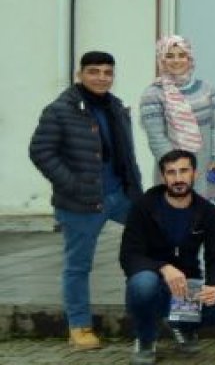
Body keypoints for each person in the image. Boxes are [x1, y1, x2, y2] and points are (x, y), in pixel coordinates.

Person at [30, 51, 144, 351]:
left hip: (120, 196)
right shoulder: (59, 110)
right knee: (78, 266)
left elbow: (126, 155)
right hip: (80, 203)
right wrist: (74, 185)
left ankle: (149, 314)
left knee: (153, 244)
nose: (102, 77)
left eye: (108, 72)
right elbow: (41, 152)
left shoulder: (117, 107)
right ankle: (79, 326)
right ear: (79, 75)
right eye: (94, 71)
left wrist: (137, 193)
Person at [120, 149, 215, 365]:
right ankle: (146, 338)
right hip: (153, 281)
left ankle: (183, 326)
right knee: (142, 284)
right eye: (171, 172)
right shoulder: (144, 206)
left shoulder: (206, 211)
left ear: (194, 173)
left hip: (187, 288)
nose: (178, 178)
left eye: (183, 171)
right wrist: (163, 267)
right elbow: (129, 255)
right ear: (163, 176)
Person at [139, 36, 215, 204]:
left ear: (190, 59)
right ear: (161, 60)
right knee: (174, 217)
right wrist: (177, 170)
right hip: (173, 172)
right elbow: (157, 138)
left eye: (181, 55)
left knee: (206, 220)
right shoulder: (152, 94)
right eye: (170, 56)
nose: (176, 60)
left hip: (208, 168)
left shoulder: (207, 89)